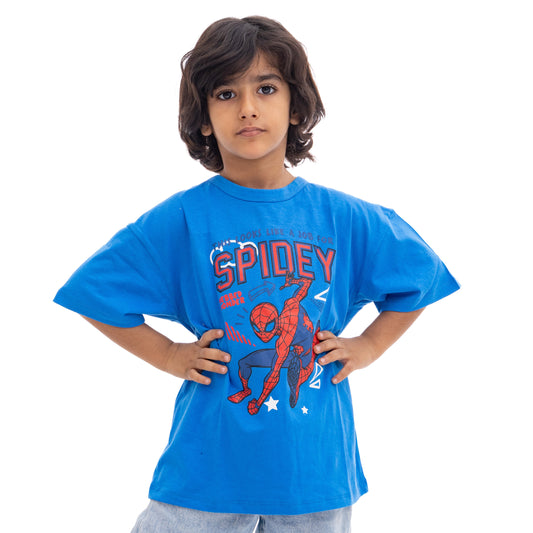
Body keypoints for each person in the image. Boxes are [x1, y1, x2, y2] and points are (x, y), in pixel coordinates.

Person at [53, 16, 459, 533]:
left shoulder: (345, 217)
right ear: (204, 119)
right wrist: (171, 354)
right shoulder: (182, 219)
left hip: (313, 471)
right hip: (207, 469)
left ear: (296, 106)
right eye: (226, 94)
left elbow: (420, 275)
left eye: (266, 88)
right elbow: (94, 292)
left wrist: (370, 346)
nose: (247, 107)